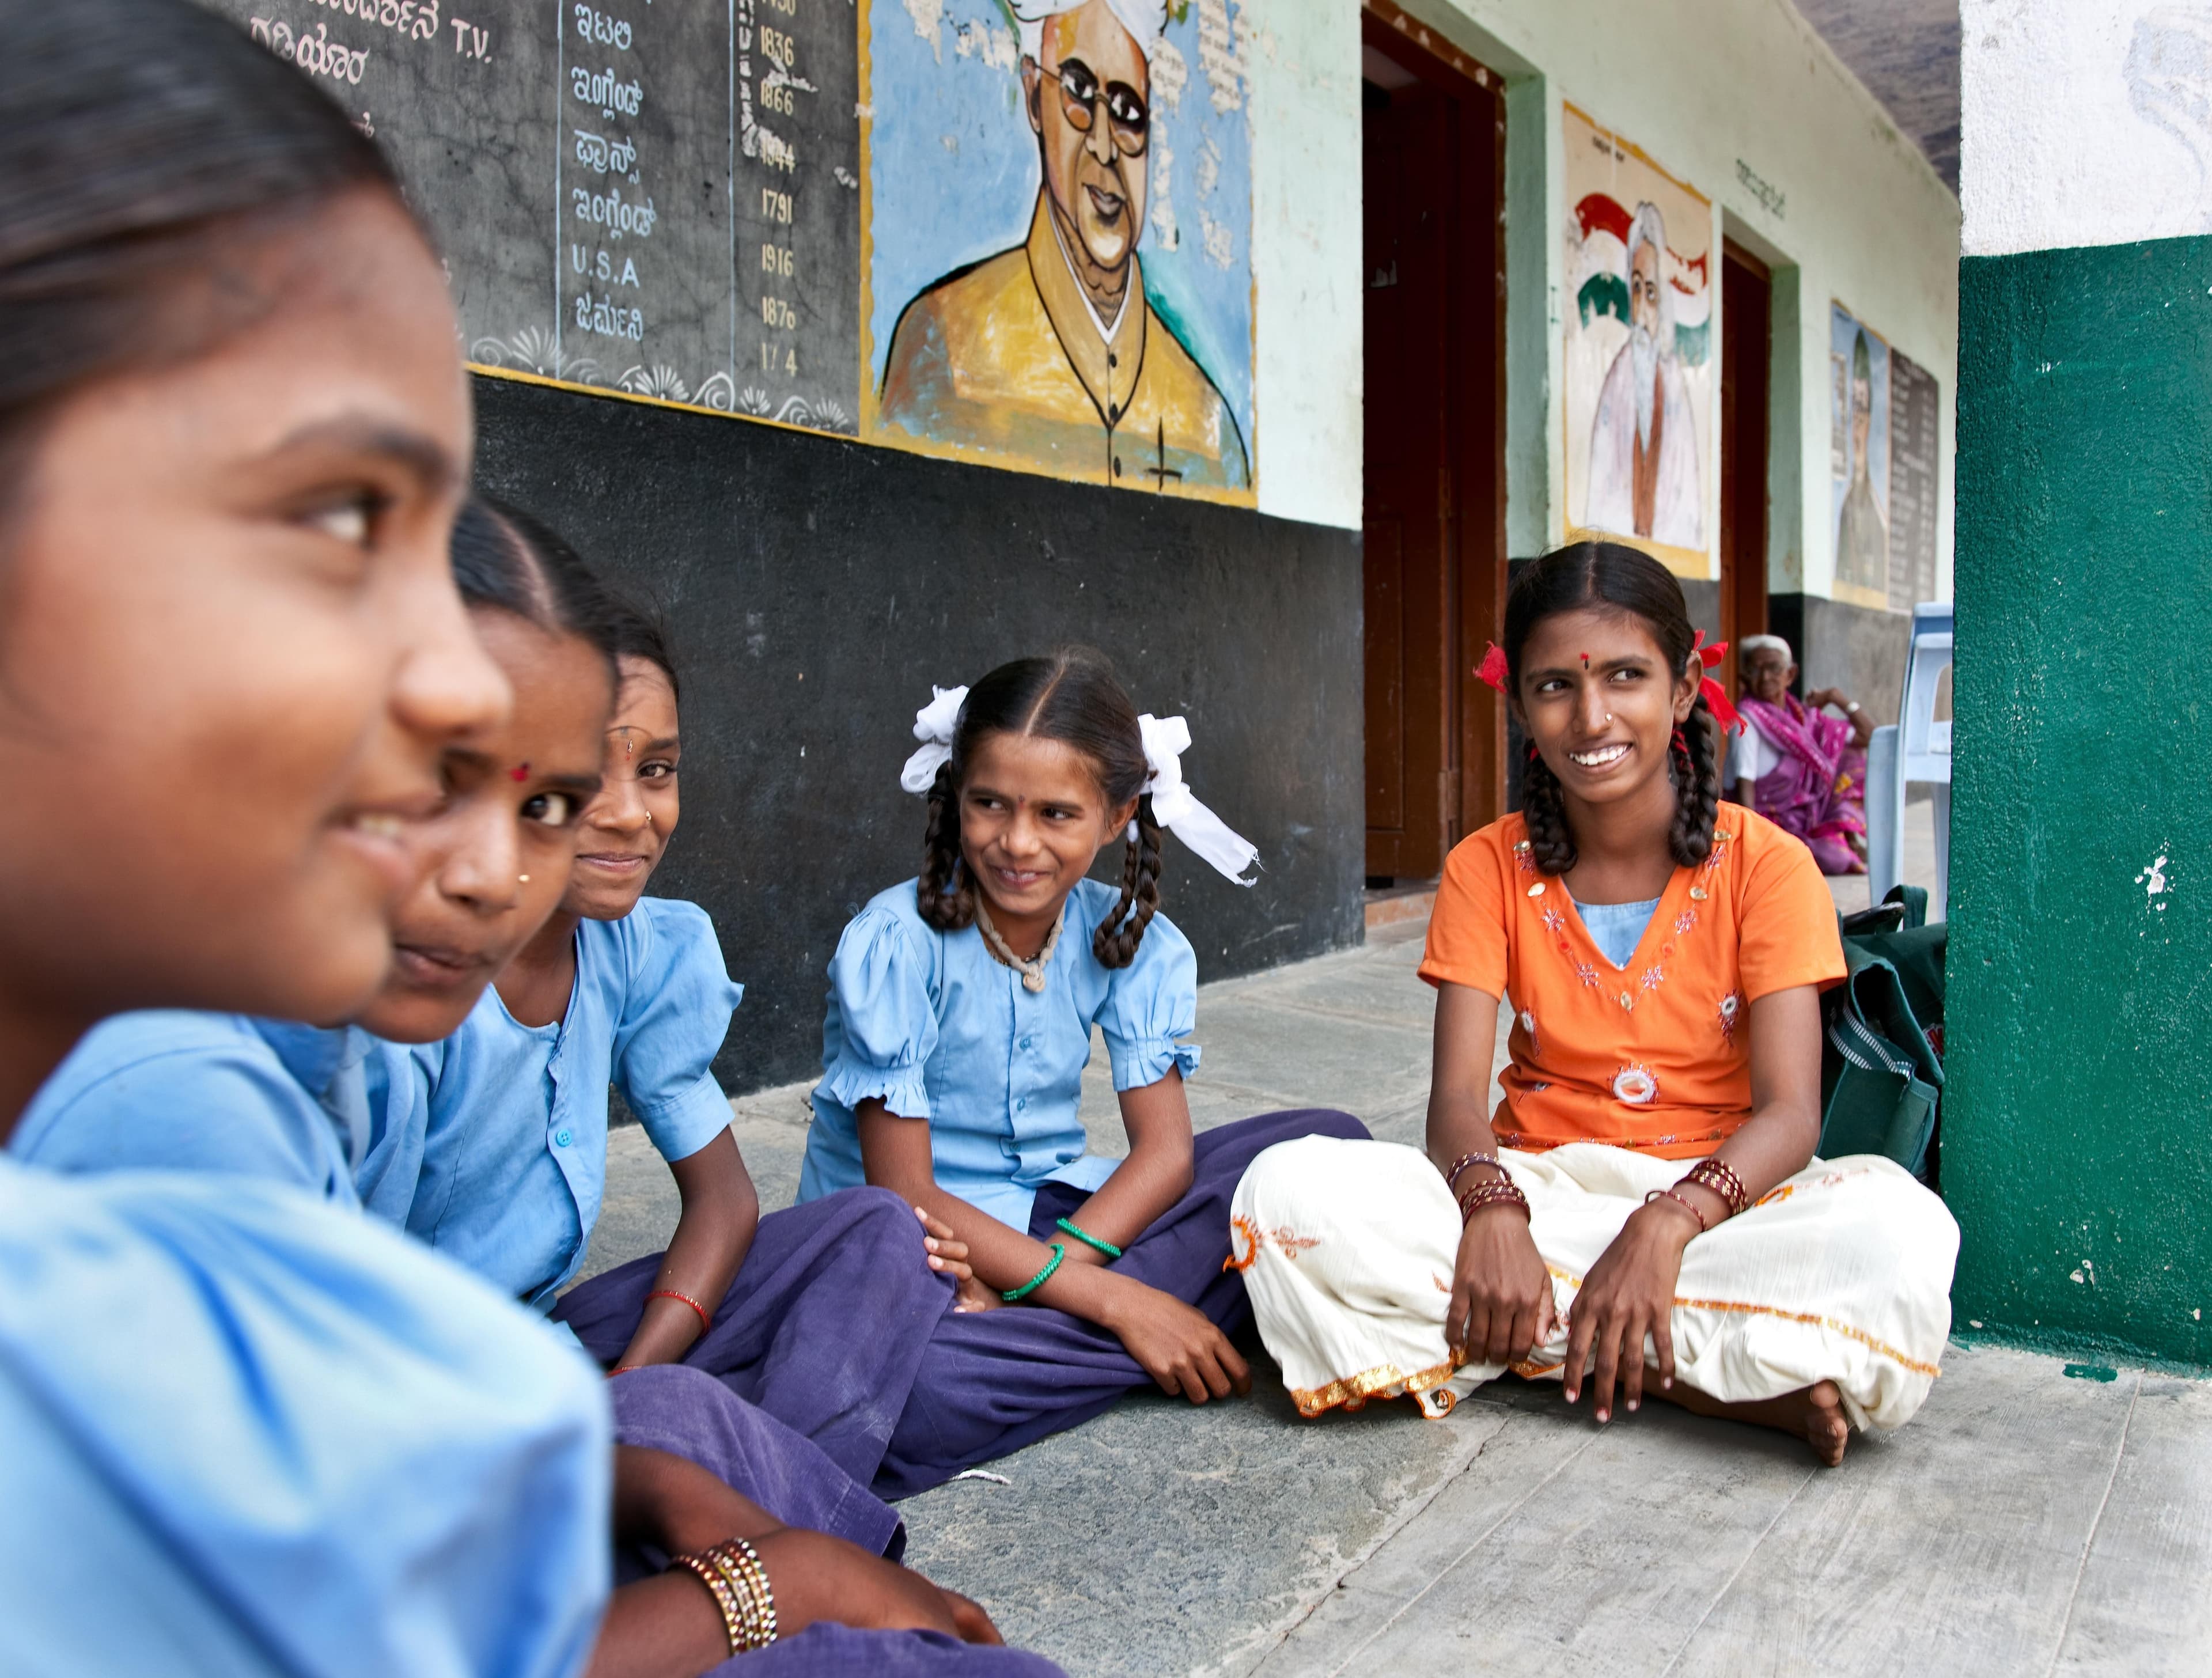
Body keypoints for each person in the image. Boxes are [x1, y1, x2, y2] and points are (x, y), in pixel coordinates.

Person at [0, 8, 1056, 1671]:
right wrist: (758, 1583)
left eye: (571, 793)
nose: (432, 686)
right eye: (342, 517)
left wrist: (628, 1423)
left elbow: (711, 1209)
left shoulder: (575, 977)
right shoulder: (185, 1107)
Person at [1231, 543, 1957, 1468]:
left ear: (1686, 687)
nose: (1592, 716)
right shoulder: (1485, 866)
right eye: (1554, 688)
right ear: (1519, 704)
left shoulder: (1768, 864)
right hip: (1539, 1194)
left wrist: (1664, 1225)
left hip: (1717, 1205)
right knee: (1289, 1191)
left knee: (1898, 1228)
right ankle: (1685, 1376)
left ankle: (1536, 1340)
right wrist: (1493, 1211)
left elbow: (1790, 1116)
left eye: (1626, 676)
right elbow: (1455, 1101)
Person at [793, 650, 1368, 1495]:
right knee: (913, 1390)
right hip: (916, 1252)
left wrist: (1056, 1274)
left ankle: (1045, 1337)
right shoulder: (897, 943)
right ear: (955, 794)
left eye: (1057, 813)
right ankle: (1142, 1334)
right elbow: (904, 1194)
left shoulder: (1124, 935)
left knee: (1322, 1146)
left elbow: (1166, 1156)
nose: (1017, 842)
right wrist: (1121, 1303)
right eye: (989, 803)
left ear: (1116, 817)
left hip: (1056, 1223)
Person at [878, 0, 1248, 492]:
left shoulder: (1210, 424)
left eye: (1126, 112)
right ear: (1034, 96)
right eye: (1077, 91)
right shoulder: (941, 348)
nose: (1104, 144)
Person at [1585, 202, 1702, 550]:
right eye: (1635, 288)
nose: (1641, 308)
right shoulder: (1617, 378)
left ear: (1662, 301)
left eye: (1650, 292)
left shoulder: (1676, 385)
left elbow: (1686, 495)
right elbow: (1601, 487)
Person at [1731, 632, 1873, 876]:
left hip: (1802, 820)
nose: (1765, 678)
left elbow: (1868, 736)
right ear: (1745, 677)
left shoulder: (1804, 719)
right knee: (1833, 858)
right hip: (1765, 822)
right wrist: (1751, 846)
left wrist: (1835, 697)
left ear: (1791, 675)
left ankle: (1846, 839)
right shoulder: (1747, 717)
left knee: (1847, 755)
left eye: (1774, 669)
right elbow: (1745, 789)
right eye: (1756, 670)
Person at [1834, 328, 1889, 593]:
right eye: (1853, 410)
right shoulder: (1844, 507)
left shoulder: (1877, 516)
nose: (1858, 424)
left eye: (1864, 411)